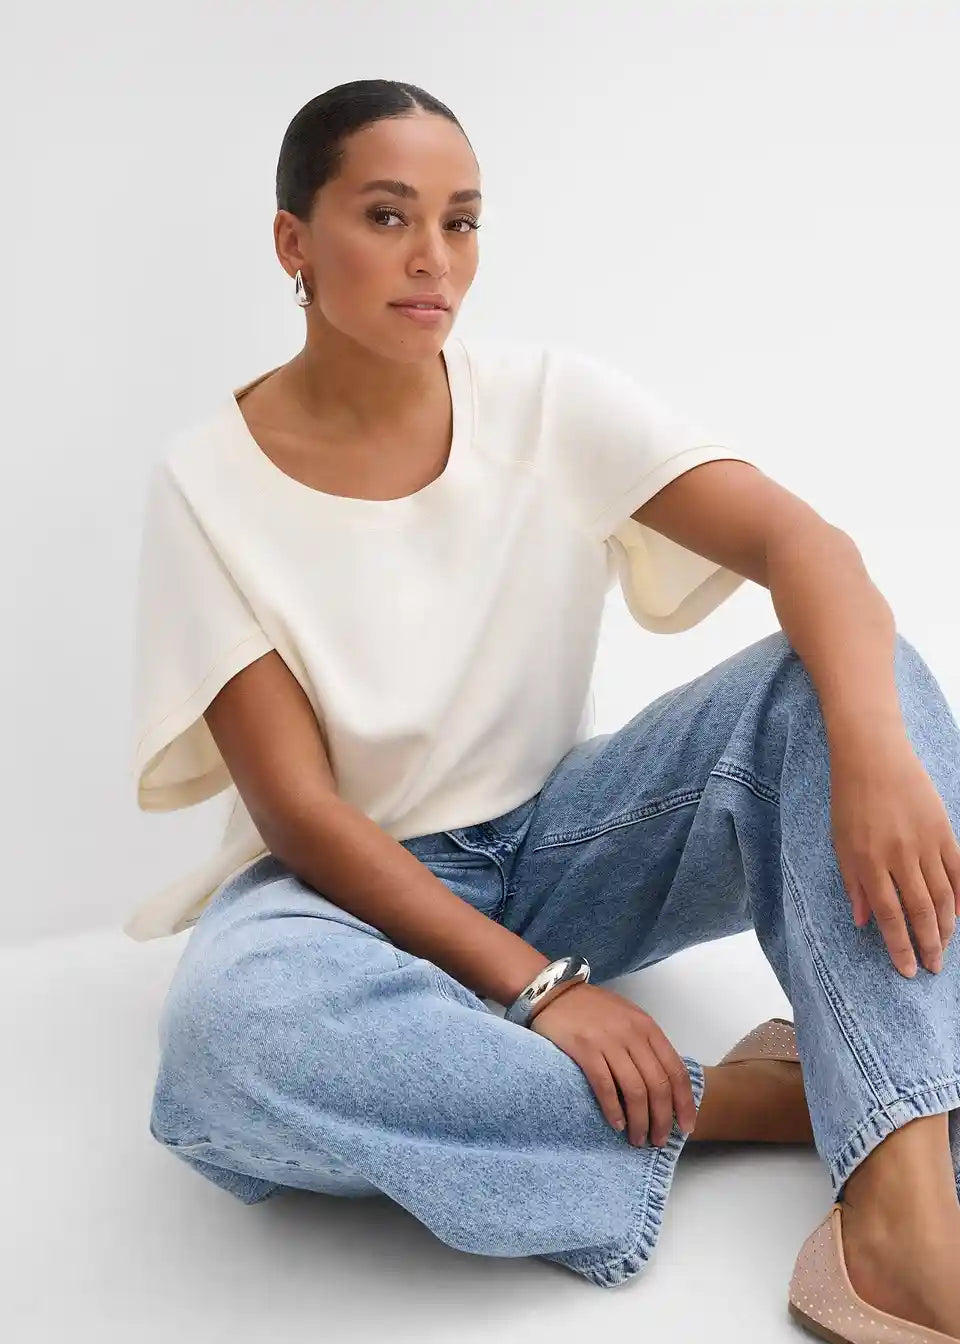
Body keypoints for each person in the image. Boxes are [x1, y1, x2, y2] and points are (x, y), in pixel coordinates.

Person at [132, 79, 960, 1338]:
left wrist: (874, 756)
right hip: (344, 897)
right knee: (230, 1038)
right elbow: (299, 811)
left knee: (856, 676)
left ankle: (901, 1210)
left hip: (570, 842)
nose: (433, 257)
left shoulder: (546, 400)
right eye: (388, 215)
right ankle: (748, 1099)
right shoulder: (204, 483)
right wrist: (543, 993)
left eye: (460, 221)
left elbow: (805, 547)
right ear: (294, 240)